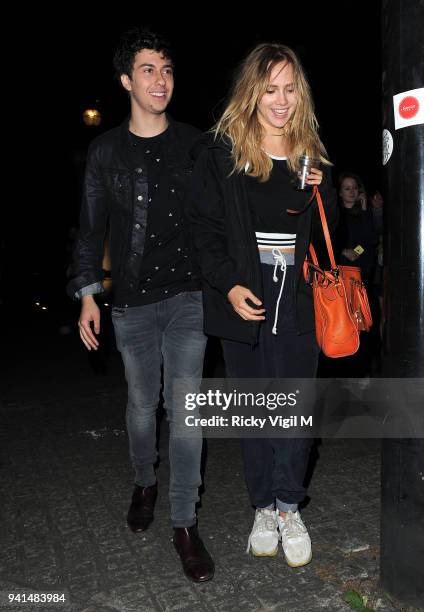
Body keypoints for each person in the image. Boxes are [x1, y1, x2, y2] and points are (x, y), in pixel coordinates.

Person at [67, 27, 214, 583]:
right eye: (149, 69)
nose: (161, 80)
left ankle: (183, 521)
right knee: (139, 405)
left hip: (189, 299)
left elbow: (234, 200)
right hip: (130, 303)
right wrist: (87, 294)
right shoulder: (105, 151)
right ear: (127, 79)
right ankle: (144, 480)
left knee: (187, 410)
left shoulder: (196, 144)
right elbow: (89, 231)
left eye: (168, 69)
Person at [188, 43, 337, 566]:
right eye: (270, 88)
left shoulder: (310, 154)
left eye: (290, 88)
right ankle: (261, 506)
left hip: (297, 298)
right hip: (244, 295)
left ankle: (289, 505)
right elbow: (205, 232)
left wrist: (325, 194)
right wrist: (228, 284)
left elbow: (326, 237)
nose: (281, 100)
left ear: (302, 93)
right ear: (252, 92)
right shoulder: (221, 153)